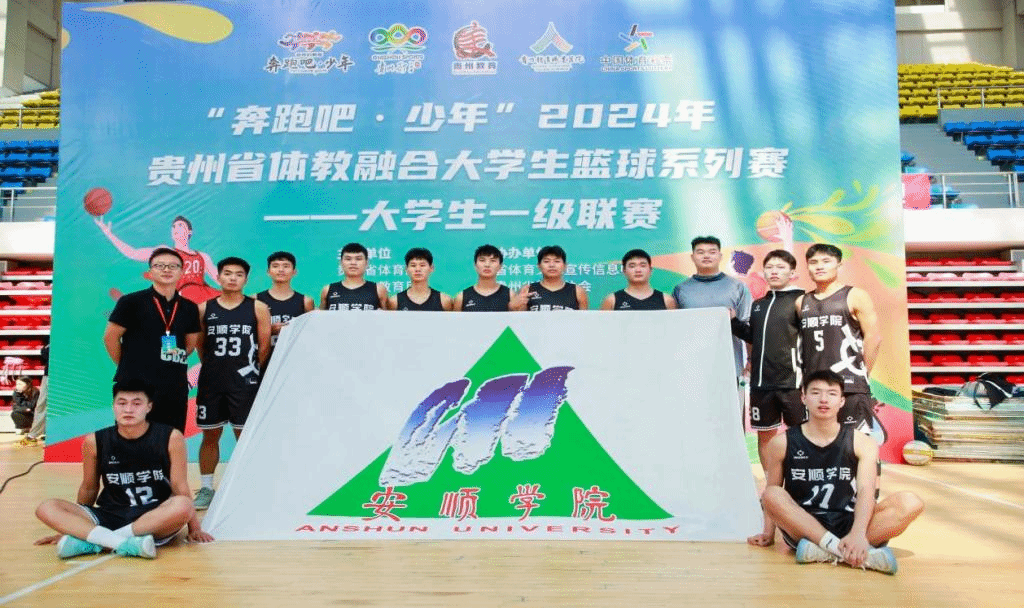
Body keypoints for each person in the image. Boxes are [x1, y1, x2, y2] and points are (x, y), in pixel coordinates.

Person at [749, 370, 923, 574]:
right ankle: (847, 552)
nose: (824, 399)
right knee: (771, 494)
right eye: (816, 393)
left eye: (831, 394)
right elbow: (772, 496)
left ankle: (826, 552)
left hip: (850, 522)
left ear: (841, 401)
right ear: (804, 398)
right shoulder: (781, 443)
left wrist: (858, 533)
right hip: (804, 527)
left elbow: (866, 492)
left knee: (911, 502)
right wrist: (768, 533)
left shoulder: (863, 443)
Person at [34, 380, 214, 559]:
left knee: (183, 504)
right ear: (113, 406)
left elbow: (179, 486)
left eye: (136, 403)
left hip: (154, 517)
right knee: (47, 507)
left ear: (149, 407)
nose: (128, 409)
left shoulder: (171, 437)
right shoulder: (94, 441)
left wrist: (195, 528)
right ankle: (124, 543)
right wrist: (72, 527)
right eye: (122, 403)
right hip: (109, 514)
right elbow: (89, 487)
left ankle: (96, 540)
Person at [194, 257, 271, 510]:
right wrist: (216, 368)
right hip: (212, 382)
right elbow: (201, 346)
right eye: (227, 273)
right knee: (210, 435)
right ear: (218, 277)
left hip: (244, 383)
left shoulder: (258, 308)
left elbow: (262, 347)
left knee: (244, 436)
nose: (233, 278)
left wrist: (248, 372)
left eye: (239, 274)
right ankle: (206, 487)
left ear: (246, 279)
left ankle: (248, 485)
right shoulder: (204, 308)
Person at [103, 248, 201, 432]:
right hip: (135, 386)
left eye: (173, 266)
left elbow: (189, 345)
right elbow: (110, 338)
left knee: (171, 438)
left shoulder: (189, 308)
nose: (167, 269)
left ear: (182, 272)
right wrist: (128, 366)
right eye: (160, 265)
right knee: (132, 439)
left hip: (174, 387)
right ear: (150, 272)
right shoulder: (130, 302)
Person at [796, 243, 882, 437]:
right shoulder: (801, 302)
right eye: (813, 262)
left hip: (849, 385)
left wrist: (862, 373)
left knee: (856, 444)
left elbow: (873, 338)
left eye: (826, 261)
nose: (819, 266)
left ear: (839, 265)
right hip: (815, 388)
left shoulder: (855, 296)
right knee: (820, 444)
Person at [730, 250, 805, 468]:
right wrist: (733, 322)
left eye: (781, 267)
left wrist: (808, 379)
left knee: (801, 436)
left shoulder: (802, 301)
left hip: (793, 384)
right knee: (765, 438)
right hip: (761, 385)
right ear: (763, 272)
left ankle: (800, 482)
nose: (774, 271)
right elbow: (753, 337)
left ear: (792, 272)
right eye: (770, 267)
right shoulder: (758, 304)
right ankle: (772, 483)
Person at [673, 236, 752, 380]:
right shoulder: (681, 289)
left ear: (720, 256)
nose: (706, 256)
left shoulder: (737, 287)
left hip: (730, 365)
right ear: (692, 257)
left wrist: (751, 360)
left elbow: (748, 327)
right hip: (692, 366)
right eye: (700, 252)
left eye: (712, 252)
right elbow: (675, 330)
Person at [95, 214, 220, 304]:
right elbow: (133, 253)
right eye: (174, 227)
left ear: (189, 232)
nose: (176, 228)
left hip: (201, 301)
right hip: (177, 302)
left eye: (180, 226)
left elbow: (220, 279)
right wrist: (108, 233)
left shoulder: (203, 257)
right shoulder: (165, 251)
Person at [255, 251, 314, 356]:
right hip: (263, 358)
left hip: (294, 359)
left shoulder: (306, 301)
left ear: (294, 272)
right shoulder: (256, 300)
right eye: (275, 266)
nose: (281, 270)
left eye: (286, 266)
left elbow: (311, 334)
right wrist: (268, 331)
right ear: (268, 271)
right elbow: (245, 332)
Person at [453, 245, 527, 312]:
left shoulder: (510, 294)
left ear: (500, 266)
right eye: (482, 260)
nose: (487, 265)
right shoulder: (461, 297)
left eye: (493, 261)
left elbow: (517, 321)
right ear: (475, 265)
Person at [599, 249, 676, 310]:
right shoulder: (611, 300)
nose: (638, 270)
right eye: (632, 266)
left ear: (650, 270)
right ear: (624, 271)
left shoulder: (667, 300)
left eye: (643, 265)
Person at [319, 243, 388, 311]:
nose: (353, 263)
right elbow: (320, 316)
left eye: (358, 259)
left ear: (367, 263)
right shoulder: (328, 290)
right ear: (341, 262)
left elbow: (388, 316)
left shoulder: (378, 290)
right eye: (348, 259)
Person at [519, 245, 589, 311]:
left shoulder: (578, 291)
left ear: (565, 266)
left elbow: (584, 318)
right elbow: (520, 317)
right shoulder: (528, 290)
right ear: (539, 266)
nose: (552, 265)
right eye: (546, 261)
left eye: (557, 261)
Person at [388, 248, 453, 311]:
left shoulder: (444, 301)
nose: (418, 269)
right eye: (413, 265)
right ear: (406, 269)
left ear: (431, 268)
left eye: (422, 265)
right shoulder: (395, 302)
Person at [20, 343, 47, 446]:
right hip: (52, 373)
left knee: (43, 405)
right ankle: (35, 435)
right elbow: (44, 354)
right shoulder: (53, 338)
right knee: (42, 405)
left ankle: (33, 435)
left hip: (59, 374)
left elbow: (45, 353)